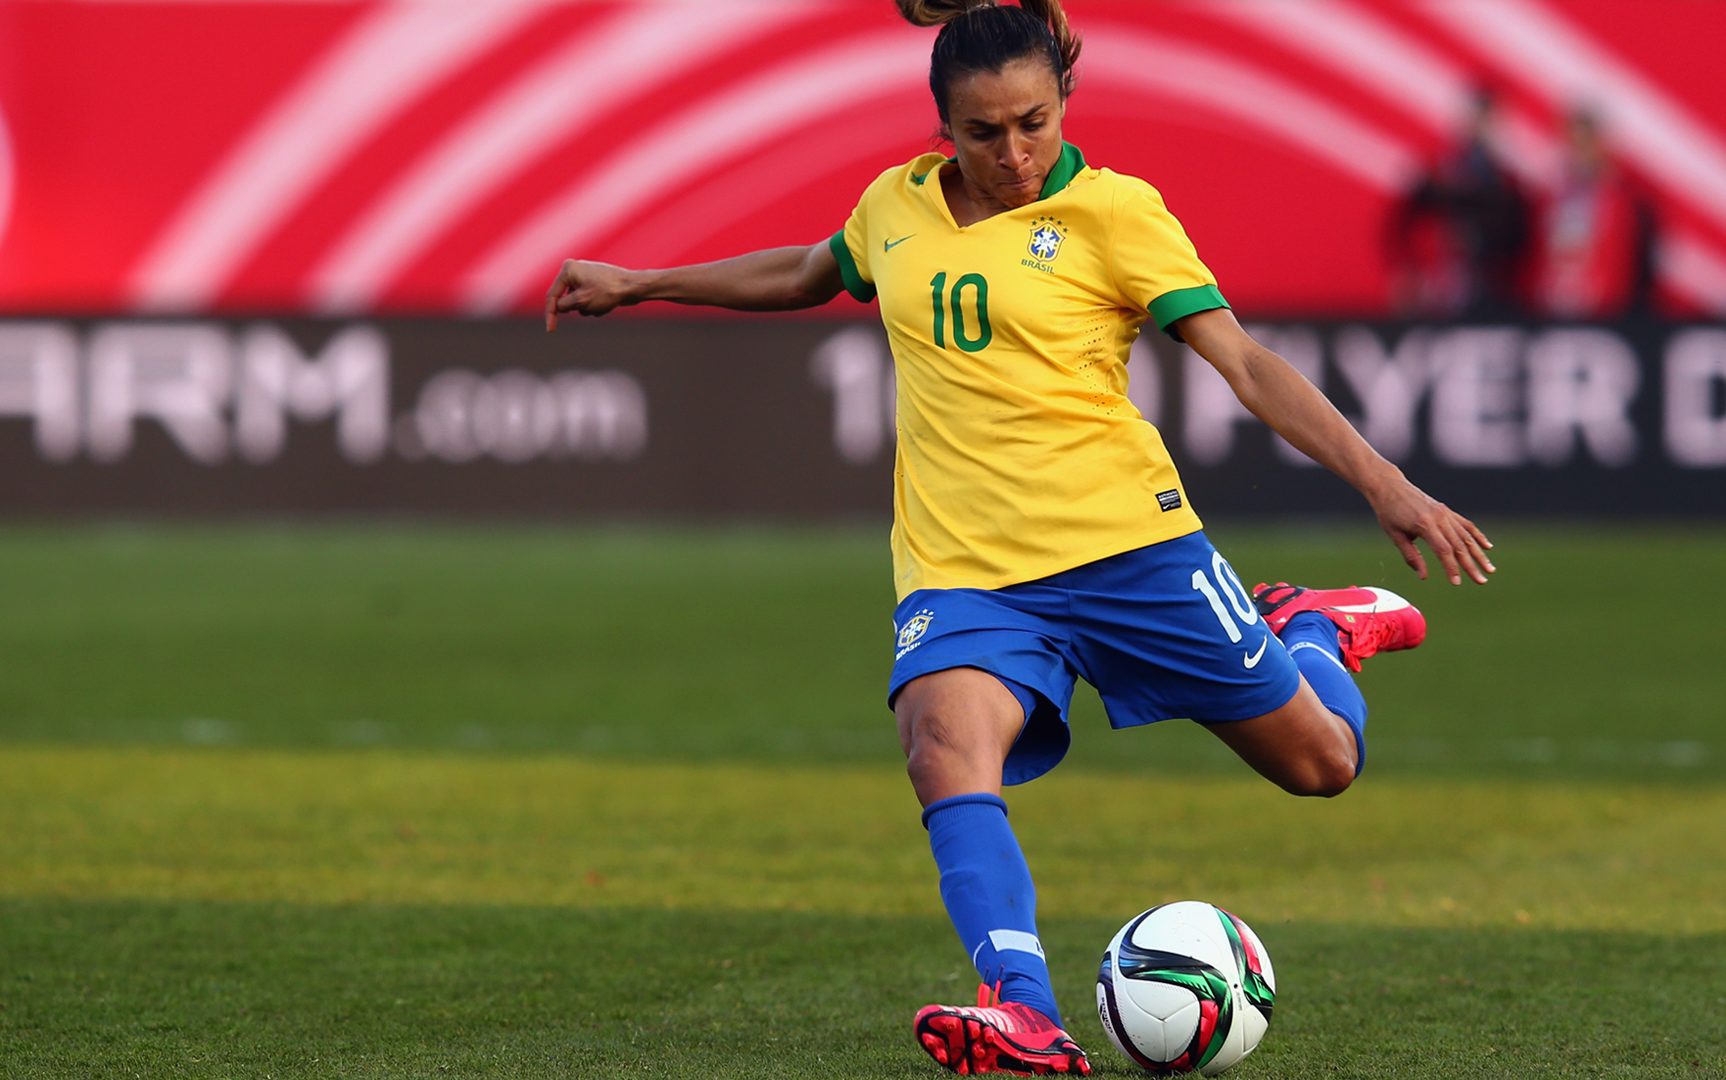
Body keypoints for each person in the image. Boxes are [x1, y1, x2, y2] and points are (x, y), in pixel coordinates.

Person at [545, 1, 1494, 1073]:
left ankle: (1312, 631)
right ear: (941, 126)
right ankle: (1024, 1011)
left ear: (1064, 101)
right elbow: (811, 274)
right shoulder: (892, 207)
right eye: (984, 132)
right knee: (942, 747)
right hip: (966, 572)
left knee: (1324, 764)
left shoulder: (1115, 214)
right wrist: (643, 281)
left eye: (1034, 123)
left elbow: (1246, 366)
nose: (1014, 153)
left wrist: (1386, 482)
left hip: (1131, 553)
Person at [1386, 85, 1534, 319]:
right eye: (1477, 117)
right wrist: (1411, 270)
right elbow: (1400, 225)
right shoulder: (1440, 171)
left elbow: (1521, 240)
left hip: (1491, 289)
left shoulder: (1509, 180)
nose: (1482, 127)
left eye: (1488, 119)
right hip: (1442, 284)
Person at [1536, 107, 1659, 320]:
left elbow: (1642, 254)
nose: (1580, 149)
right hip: (1558, 304)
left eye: (1586, 141)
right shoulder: (1553, 194)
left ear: (1601, 143)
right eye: (1573, 141)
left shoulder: (1625, 195)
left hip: (1610, 307)